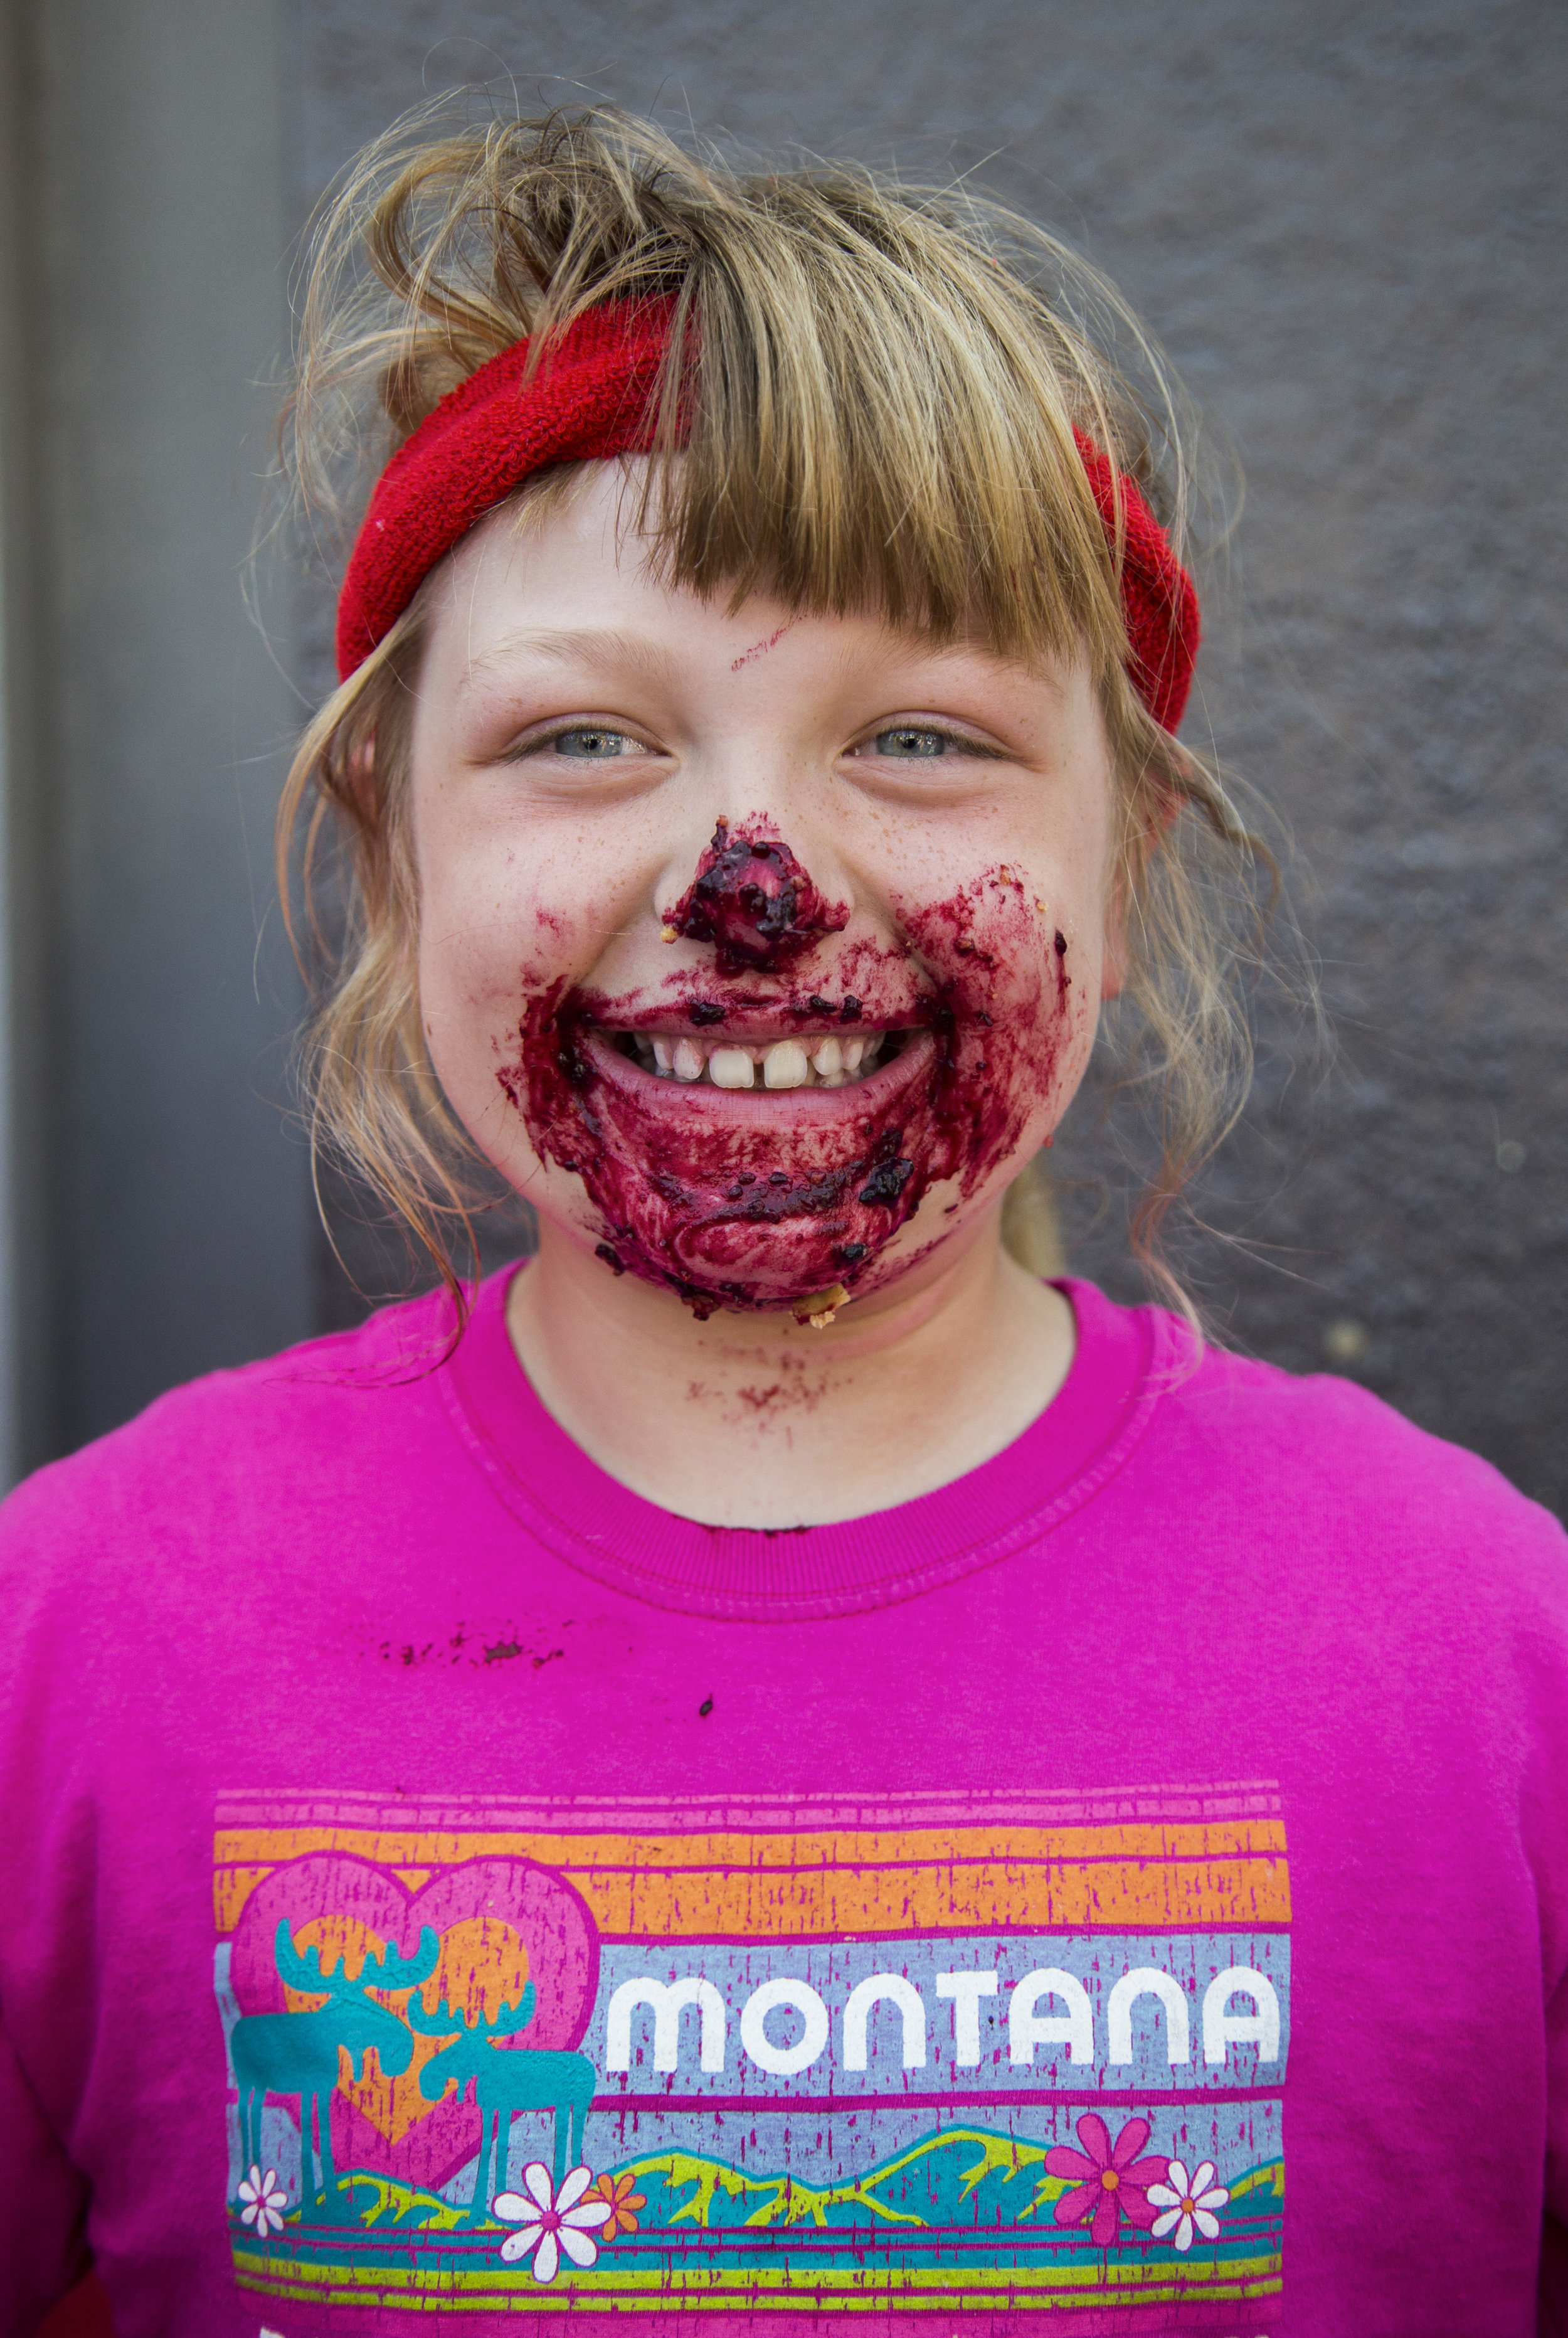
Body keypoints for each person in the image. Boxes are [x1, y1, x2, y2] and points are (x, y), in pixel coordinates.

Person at [1, 103, 1564, 2338]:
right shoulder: (73, 1643)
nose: (756, 886)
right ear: (392, 846)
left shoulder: (1490, 1661)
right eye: (580, 741)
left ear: (1120, 874)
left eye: (920, 739)